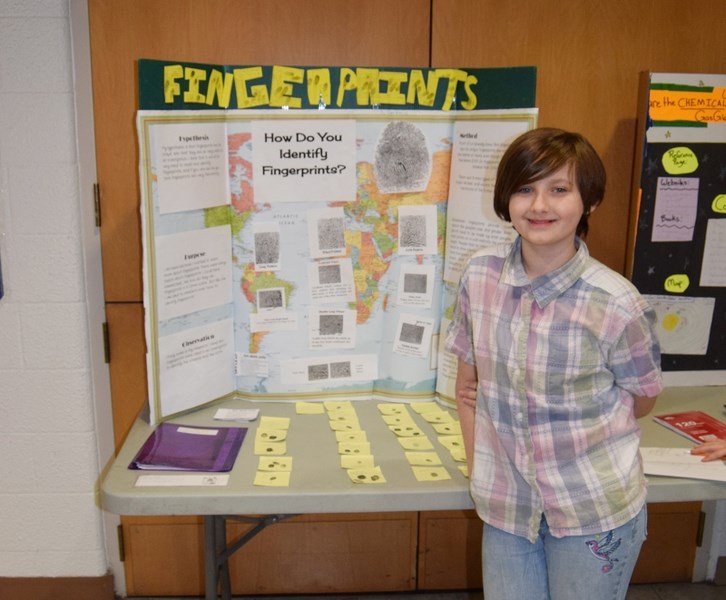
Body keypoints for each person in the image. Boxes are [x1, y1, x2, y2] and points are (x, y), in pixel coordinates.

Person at [444, 127, 663, 600]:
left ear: (589, 202)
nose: (539, 205)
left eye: (559, 189)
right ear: (506, 198)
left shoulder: (617, 303)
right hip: (507, 510)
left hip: (592, 509)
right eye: (525, 188)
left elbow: (641, 400)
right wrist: (485, 469)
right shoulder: (479, 275)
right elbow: (467, 388)